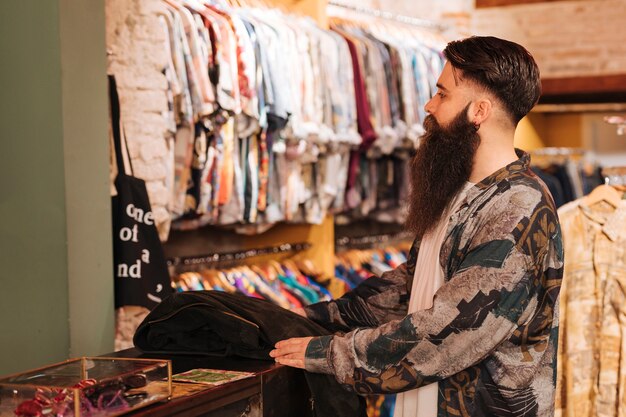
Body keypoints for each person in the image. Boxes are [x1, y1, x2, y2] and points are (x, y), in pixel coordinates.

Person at [270, 36, 564, 417]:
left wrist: (329, 353)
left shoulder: (519, 208)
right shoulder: (461, 192)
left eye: (442, 94)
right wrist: (309, 318)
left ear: (478, 111)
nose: (429, 105)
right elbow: (410, 288)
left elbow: (449, 332)